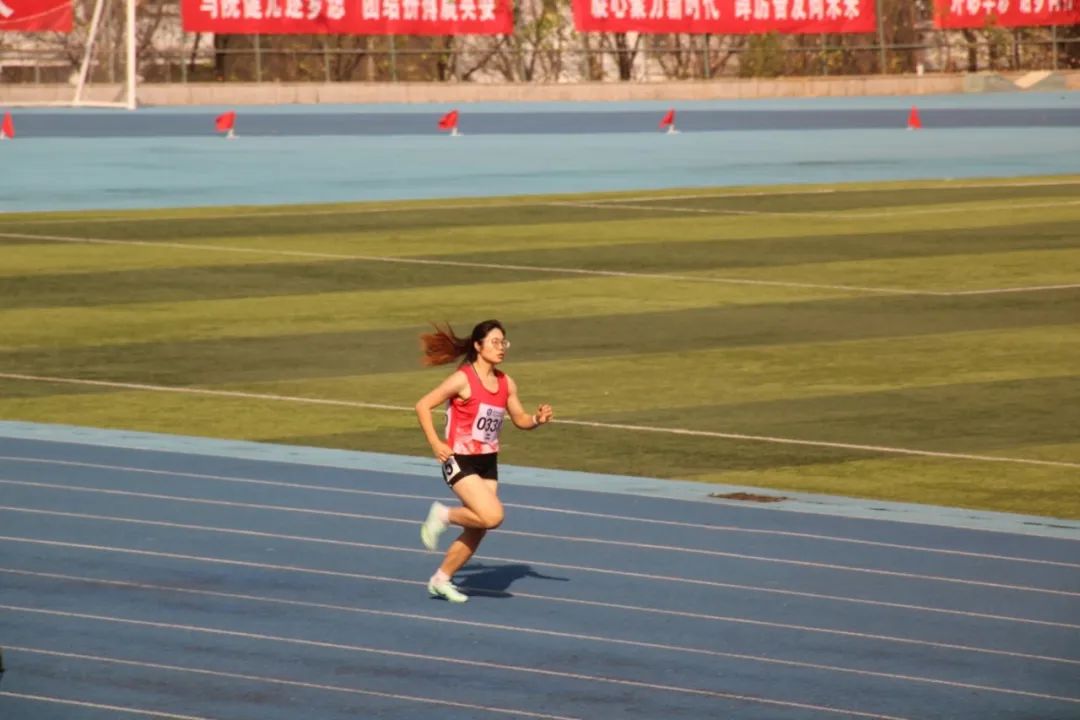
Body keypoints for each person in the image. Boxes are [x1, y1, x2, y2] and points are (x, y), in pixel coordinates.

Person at [414, 319, 553, 603]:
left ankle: (441, 579)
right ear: (478, 346)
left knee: (479, 527)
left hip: (487, 462)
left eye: (504, 342)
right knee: (493, 516)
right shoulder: (463, 378)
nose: (501, 348)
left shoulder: (505, 382)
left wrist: (537, 420)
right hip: (459, 459)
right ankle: (443, 514)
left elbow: (520, 420)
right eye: (495, 342)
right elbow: (423, 405)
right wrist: (435, 443)